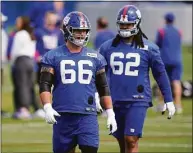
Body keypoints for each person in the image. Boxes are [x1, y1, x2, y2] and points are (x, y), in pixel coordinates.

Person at [99, 5, 176, 153]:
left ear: (137, 23)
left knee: (131, 139)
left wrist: (169, 99)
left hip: (138, 99)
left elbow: (160, 74)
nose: (124, 27)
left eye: (128, 24)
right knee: (122, 140)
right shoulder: (107, 47)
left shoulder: (149, 48)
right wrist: (96, 95)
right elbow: (98, 74)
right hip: (115, 99)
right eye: (122, 24)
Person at [39, 11, 117, 153]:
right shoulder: (52, 56)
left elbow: (103, 88)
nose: (81, 34)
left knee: (90, 149)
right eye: (77, 30)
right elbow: (45, 85)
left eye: (84, 30)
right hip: (62, 115)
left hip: (87, 116)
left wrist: (110, 113)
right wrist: (47, 107)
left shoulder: (96, 57)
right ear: (67, 31)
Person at [155, 12, 183, 114]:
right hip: (177, 59)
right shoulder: (179, 31)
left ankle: (161, 104)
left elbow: (158, 45)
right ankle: (178, 105)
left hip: (165, 59)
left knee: (161, 82)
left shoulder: (161, 31)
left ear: (165, 20)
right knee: (176, 82)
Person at [10, 16, 37, 119]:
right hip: (30, 61)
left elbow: (15, 51)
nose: (16, 23)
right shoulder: (31, 35)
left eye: (18, 22)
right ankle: (29, 107)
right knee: (29, 85)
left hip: (21, 61)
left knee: (21, 85)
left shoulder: (20, 34)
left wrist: (13, 62)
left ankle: (23, 109)